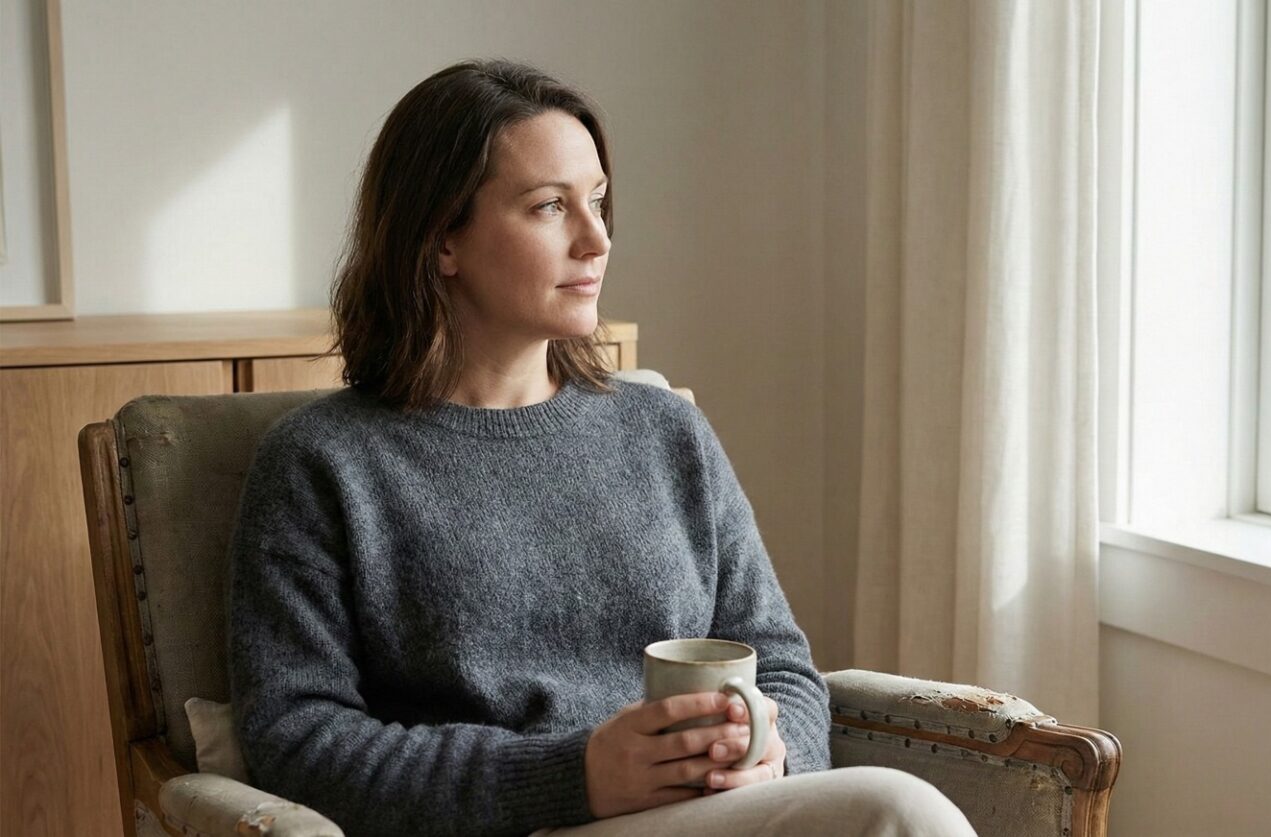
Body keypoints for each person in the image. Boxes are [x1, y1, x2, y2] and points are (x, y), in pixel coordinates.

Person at [227, 59, 976, 837]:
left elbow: (780, 660)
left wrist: (774, 758)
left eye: (598, 201)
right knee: (896, 809)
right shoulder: (321, 463)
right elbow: (299, 740)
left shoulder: (666, 432)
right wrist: (570, 776)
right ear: (442, 238)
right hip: (514, 825)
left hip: (717, 814)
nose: (597, 239)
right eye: (550, 206)